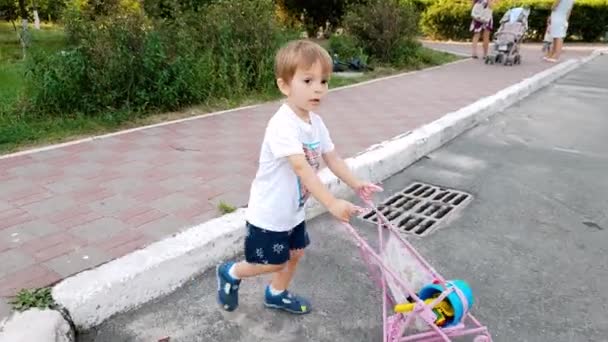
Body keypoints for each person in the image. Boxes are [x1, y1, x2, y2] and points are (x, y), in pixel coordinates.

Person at [216, 39, 383, 315]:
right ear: (284, 85)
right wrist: (332, 204)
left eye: (324, 81)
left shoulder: (315, 123)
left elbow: (332, 157)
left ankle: (276, 293)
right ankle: (230, 272)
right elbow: (302, 168)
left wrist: (356, 183)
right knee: (272, 262)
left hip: (293, 211)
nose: (318, 88)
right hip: (269, 214)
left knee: (295, 254)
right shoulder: (282, 125)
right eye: (308, 80)